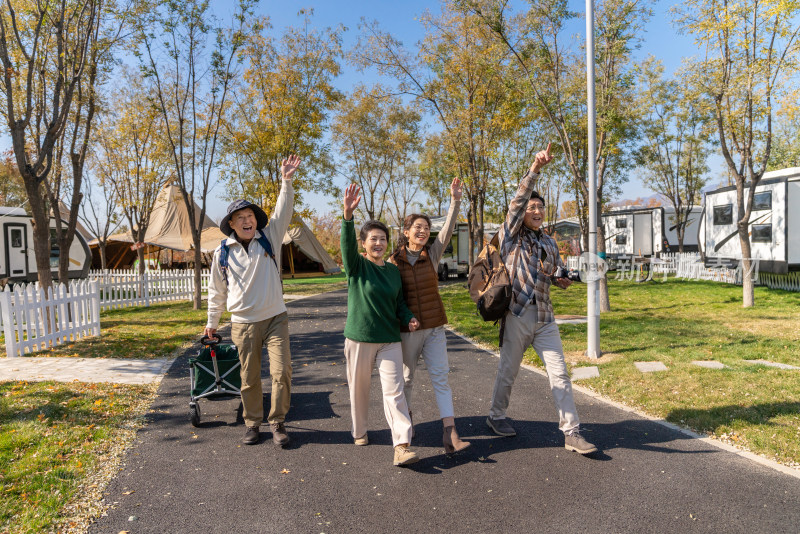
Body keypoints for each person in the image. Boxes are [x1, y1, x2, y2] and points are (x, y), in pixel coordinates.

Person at [486, 144, 599, 455]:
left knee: (560, 373)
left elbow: (553, 272)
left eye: (540, 208)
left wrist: (562, 279)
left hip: (546, 318)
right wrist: (535, 169)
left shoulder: (549, 241)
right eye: (530, 208)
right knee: (508, 371)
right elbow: (517, 201)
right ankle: (496, 416)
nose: (535, 211)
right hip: (517, 314)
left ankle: (571, 432)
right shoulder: (510, 235)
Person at [204, 155, 301, 447]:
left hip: (275, 318)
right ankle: (252, 423)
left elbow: (284, 211)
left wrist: (286, 181)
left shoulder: (269, 236)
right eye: (240, 218)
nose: (247, 222)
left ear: (256, 221)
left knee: (281, 371)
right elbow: (216, 290)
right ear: (231, 224)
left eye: (251, 217)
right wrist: (212, 322)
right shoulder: (222, 252)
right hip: (243, 323)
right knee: (248, 378)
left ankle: (278, 422)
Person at [341, 183, 421, 467]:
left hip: (388, 338)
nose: (378, 243)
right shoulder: (357, 266)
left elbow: (398, 303)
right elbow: (346, 246)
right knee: (358, 389)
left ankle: (401, 444)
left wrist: (408, 316)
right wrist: (348, 215)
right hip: (360, 338)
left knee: (395, 391)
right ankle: (360, 431)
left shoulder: (392, 272)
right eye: (373, 239)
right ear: (364, 243)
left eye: (383, 239)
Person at [388, 177, 470, 454]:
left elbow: (447, 231)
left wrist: (455, 201)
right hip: (406, 332)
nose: (423, 231)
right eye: (418, 227)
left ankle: (450, 433)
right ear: (406, 231)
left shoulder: (431, 255)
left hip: (434, 328)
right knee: (406, 380)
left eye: (426, 228)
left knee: (441, 378)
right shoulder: (393, 262)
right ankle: (405, 429)